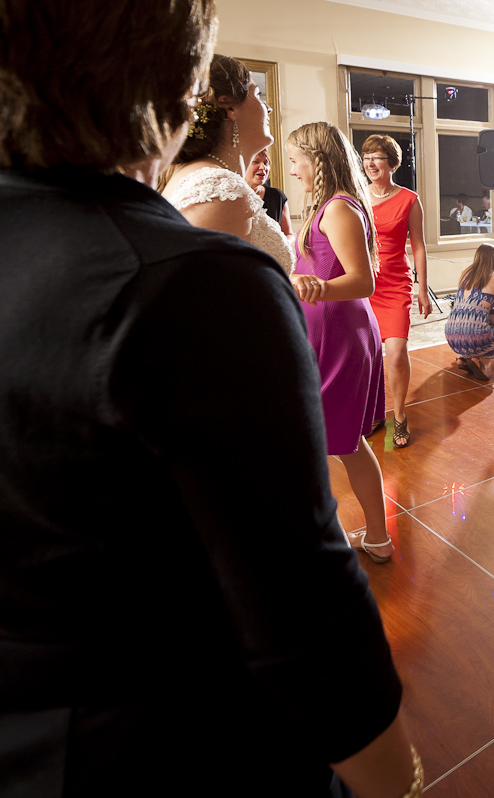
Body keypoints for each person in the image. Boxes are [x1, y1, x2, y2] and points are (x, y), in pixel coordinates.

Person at [0, 1, 418, 795]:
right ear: (174, 85)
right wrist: (394, 779)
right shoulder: (197, 283)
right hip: (152, 745)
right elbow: (298, 597)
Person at [286, 122, 394, 565]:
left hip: (340, 337)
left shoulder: (337, 209)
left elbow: (363, 280)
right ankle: (374, 536)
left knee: (339, 441)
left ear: (316, 160)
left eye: (296, 160)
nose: (292, 169)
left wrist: (316, 287)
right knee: (342, 442)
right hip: (329, 332)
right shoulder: (328, 205)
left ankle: (366, 537)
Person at [159, 54, 293, 275]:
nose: (268, 108)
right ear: (229, 108)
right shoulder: (220, 191)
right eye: (257, 95)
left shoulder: (200, 174)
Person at [361, 134, 430, 448]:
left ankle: (399, 414)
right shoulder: (357, 196)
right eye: (366, 157)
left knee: (397, 353)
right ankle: (375, 412)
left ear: (392, 163)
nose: (370, 163)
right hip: (364, 285)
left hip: (395, 286)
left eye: (377, 157)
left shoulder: (409, 200)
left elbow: (419, 247)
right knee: (369, 356)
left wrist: (422, 288)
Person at [445, 244, 494, 381]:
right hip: (477, 339)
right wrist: (493, 314)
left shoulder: (466, 274)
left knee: (473, 326)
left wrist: (484, 315)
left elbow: (468, 311)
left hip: (451, 336)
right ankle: (478, 361)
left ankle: (465, 358)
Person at [245, 148, 294, 238]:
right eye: (256, 162)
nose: (263, 167)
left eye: (266, 163)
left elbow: (289, 234)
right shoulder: (232, 196)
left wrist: (285, 244)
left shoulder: (277, 196)